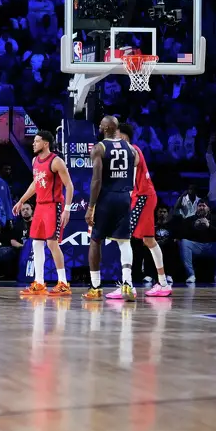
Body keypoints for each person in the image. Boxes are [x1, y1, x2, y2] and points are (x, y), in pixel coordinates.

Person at [83, 116, 138, 301]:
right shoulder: (130, 149)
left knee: (96, 239)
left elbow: (96, 180)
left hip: (106, 198)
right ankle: (128, 284)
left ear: (106, 128)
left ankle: (96, 287)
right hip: (124, 197)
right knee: (124, 241)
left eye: (100, 124)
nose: (98, 126)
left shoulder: (99, 147)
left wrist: (91, 206)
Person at [14, 131, 74, 297]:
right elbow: (35, 184)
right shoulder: (34, 161)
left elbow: (69, 185)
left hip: (53, 206)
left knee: (52, 244)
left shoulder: (56, 161)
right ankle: (39, 283)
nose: (33, 144)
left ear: (46, 143)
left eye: (36, 141)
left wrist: (67, 209)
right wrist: (21, 200)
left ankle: (63, 283)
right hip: (40, 206)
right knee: (36, 244)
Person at [119, 123, 171, 296]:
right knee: (149, 241)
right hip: (143, 197)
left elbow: (130, 180)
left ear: (124, 137)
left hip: (142, 198)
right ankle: (163, 284)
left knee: (124, 237)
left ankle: (127, 286)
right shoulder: (127, 151)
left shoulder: (132, 151)